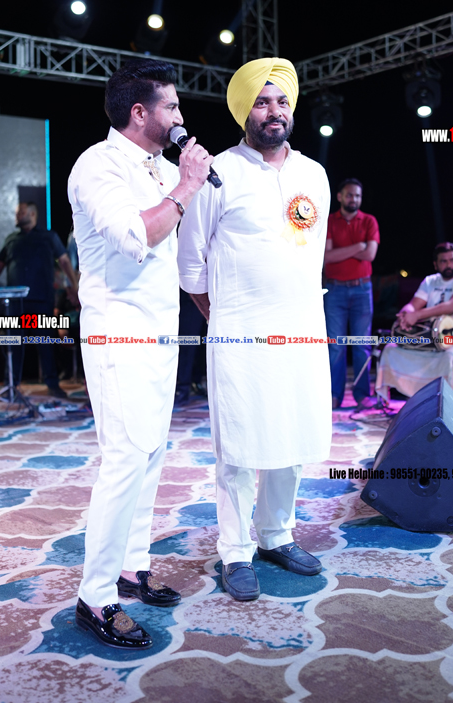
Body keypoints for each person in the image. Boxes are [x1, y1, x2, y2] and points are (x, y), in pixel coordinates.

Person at [68, 59, 213, 649]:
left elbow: (183, 244)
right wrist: (186, 187)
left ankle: (131, 568)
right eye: (172, 106)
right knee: (125, 458)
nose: (180, 115)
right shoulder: (97, 165)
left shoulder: (160, 169)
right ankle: (95, 596)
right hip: (117, 333)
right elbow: (134, 238)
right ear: (139, 112)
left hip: (159, 333)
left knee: (150, 454)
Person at [178, 57, 332, 602]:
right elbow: (190, 263)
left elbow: (310, 252)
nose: (274, 111)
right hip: (241, 334)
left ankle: (276, 535)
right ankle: (235, 550)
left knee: (291, 437)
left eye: (282, 101)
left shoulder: (314, 174)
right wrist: (223, 318)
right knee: (241, 446)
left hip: (302, 329)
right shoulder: (219, 172)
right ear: (245, 111)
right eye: (262, 102)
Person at [0, 202, 78, 398]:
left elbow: (64, 260)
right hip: (15, 302)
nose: (17, 215)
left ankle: (53, 385)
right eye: (17, 212)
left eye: (21, 212)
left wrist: (74, 286)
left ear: (33, 214)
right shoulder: (11, 239)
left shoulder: (49, 237)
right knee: (14, 344)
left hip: (41, 300)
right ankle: (11, 387)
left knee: (45, 343)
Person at [376, 242, 453, 402]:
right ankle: (415, 397)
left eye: (452, 260)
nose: (449, 265)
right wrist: (405, 316)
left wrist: (417, 315)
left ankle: (449, 401)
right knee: (391, 349)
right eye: (443, 261)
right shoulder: (430, 281)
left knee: (449, 355)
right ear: (435, 264)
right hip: (433, 334)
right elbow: (412, 305)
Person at [323, 179, 380, 409]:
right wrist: (357, 247)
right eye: (349, 195)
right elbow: (327, 257)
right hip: (335, 289)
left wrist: (343, 252)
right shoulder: (329, 221)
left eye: (357, 195)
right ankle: (334, 395)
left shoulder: (369, 221)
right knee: (336, 345)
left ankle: (362, 395)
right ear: (339, 197)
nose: (353, 199)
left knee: (361, 345)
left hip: (362, 289)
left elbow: (370, 255)